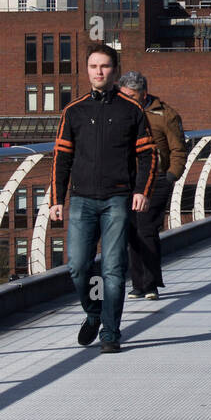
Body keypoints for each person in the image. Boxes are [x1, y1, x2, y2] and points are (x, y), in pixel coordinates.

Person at [51, 44, 157, 353]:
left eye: (105, 66)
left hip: (117, 199)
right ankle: (94, 313)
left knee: (113, 267)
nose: (99, 71)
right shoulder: (74, 111)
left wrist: (142, 191)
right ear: (87, 71)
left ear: (114, 71)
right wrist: (57, 198)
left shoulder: (131, 110)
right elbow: (61, 158)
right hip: (82, 200)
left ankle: (110, 332)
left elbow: (148, 155)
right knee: (79, 266)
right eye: (94, 66)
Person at [119, 72, 187, 301]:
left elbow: (178, 149)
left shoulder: (165, 115)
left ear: (143, 94)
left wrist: (170, 176)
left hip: (156, 180)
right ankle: (139, 284)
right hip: (130, 180)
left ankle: (149, 285)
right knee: (132, 231)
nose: (127, 99)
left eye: (131, 95)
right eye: (123, 95)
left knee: (146, 229)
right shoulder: (121, 113)